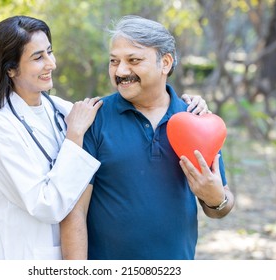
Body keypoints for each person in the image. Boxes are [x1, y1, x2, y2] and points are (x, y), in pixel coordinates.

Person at [61, 15, 235, 260]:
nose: (121, 71)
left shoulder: (196, 119)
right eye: (114, 61)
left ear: (165, 62)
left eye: (133, 60)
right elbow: (73, 211)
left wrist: (216, 199)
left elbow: (221, 206)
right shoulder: (95, 119)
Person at [0, 15, 104, 259]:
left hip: (66, 254)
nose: (51, 63)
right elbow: (46, 204)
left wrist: (185, 106)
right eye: (38, 57)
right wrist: (73, 136)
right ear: (10, 68)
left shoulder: (59, 108)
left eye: (49, 52)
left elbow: (111, 113)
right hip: (23, 255)